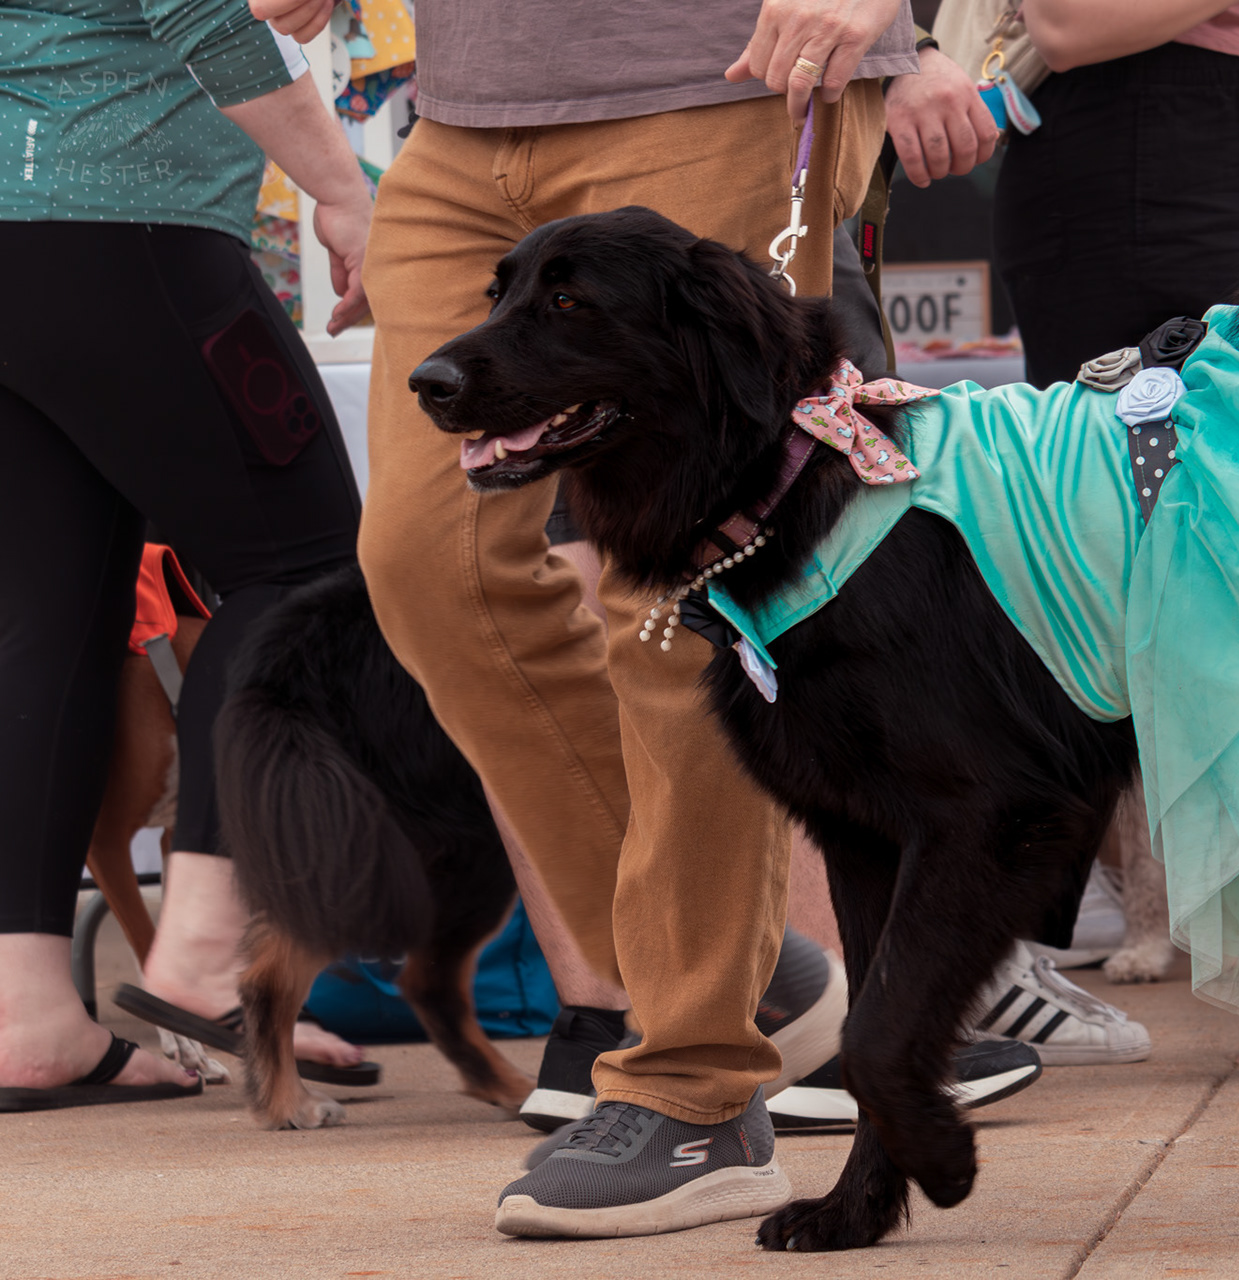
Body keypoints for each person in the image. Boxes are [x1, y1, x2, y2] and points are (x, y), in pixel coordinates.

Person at [249, 0, 1057, 1241]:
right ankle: (739, 965)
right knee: (426, 568)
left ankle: (693, 1082)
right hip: (466, 105)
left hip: (713, 76)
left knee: (689, 601)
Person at [0, 0, 374, 1107]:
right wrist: (345, 190)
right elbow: (205, 11)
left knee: (54, 617)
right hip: (122, 223)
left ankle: (25, 1014)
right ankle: (206, 949)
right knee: (305, 573)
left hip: (30, 234)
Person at [994, 0, 1239, 386]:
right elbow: (1062, 24)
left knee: (1234, 395)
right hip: (1143, 110)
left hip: (1230, 108)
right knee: (1129, 406)